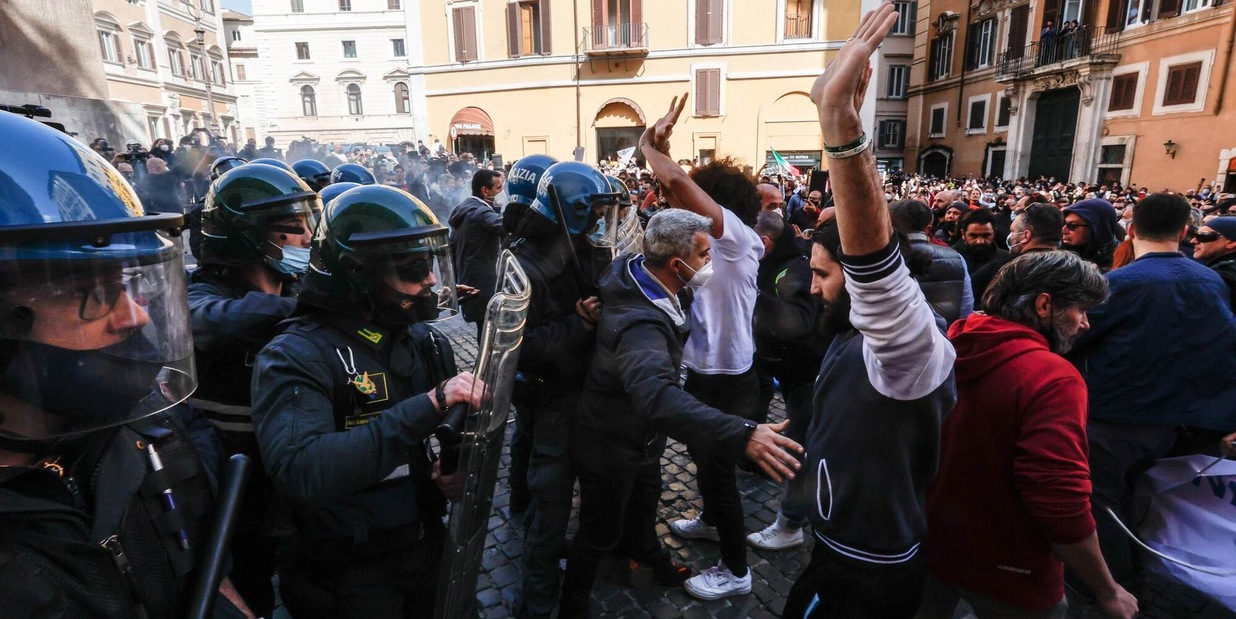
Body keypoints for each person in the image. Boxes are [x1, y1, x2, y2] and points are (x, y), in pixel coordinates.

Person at [0, 112, 251, 617]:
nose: (135, 315)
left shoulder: (140, 432)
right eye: (90, 291)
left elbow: (206, 571)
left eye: (127, 284)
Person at [783, 6, 957, 616]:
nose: (811, 288)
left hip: (871, 574)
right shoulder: (845, 334)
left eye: (825, 274)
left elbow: (877, 279)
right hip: (834, 549)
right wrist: (805, 434)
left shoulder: (914, 353)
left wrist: (841, 131)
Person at [557, 209, 805, 617]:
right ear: (677, 264)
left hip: (640, 441)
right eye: (705, 254)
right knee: (598, 533)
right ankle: (574, 604)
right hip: (611, 443)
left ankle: (647, 553)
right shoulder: (640, 326)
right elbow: (657, 396)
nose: (710, 262)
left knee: (644, 503)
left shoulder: (639, 270)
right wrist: (743, 433)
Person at [250, 185, 476, 618]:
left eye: (429, 264)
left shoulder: (422, 341)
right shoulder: (295, 355)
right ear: (359, 273)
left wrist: (451, 467)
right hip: (346, 574)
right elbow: (302, 469)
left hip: (426, 541)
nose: (429, 280)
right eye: (412, 268)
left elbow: (444, 437)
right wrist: (427, 406)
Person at [919, 251, 1138, 619]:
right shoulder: (1053, 378)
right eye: (1081, 310)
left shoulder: (952, 344)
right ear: (1043, 305)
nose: (1084, 323)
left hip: (931, 542)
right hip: (1010, 565)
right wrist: (1107, 588)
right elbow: (1060, 502)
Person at [1067, 192, 1236, 595]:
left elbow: (1071, 339)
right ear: (1183, 231)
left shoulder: (1120, 283)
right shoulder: (1209, 279)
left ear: (1132, 228)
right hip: (1180, 422)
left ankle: (1108, 589)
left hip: (1115, 420)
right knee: (1138, 502)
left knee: (1098, 505)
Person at [189, 163, 320, 616]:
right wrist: (304, 307)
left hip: (298, 473)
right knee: (250, 585)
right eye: (291, 230)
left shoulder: (302, 282)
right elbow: (210, 321)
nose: (306, 238)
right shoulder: (201, 290)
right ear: (247, 236)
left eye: (308, 227)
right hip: (233, 484)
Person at [643, 135, 765, 599]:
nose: (681, 202)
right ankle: (712, 522)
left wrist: (646, 148)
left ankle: (736, 571)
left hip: (729, 381)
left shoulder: (732, 236)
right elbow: (673, 189)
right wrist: (662, 147)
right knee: (701, 458)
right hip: (704, 372)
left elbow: (674, 180)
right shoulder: (717, 240)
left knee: (718, 473)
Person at [509, 161, 620, 619]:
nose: (600, 218)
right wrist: (580, 323)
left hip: (590, 398)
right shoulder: (524, 263)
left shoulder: (586, 249)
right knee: (551, 508)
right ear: (573, 208)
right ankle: (534, 606)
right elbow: (525, 347)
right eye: (594, 209)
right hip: (553, 402)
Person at [746, 210, 828, 550]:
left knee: (800, 448)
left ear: (764, 242)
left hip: (806, 375)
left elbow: (796, 322)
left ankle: (790, 523)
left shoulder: (793, 270)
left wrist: (747, 291)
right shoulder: (778, 263)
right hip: (790, 371)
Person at [890, 199, 972, 325]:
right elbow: (965, 310)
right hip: (943, 337)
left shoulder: (882, 259)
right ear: (928, 227)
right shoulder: (956, 258)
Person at [970, 203, 1063, 307]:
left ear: (1026, 235)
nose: (1011, 236)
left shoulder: (1002, 270)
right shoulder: (1075, 268)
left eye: (1013, 231)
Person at [448, 169, 505, 336]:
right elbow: (501, 225)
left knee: (484, 328)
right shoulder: (479, 211)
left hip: (470, 279)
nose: (502, 192)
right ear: (485, 191)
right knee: (488, 331)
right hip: (483, 283)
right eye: (498, 188)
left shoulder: (465, 208)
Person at [1061, 198, 1121, 271]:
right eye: (1064, 224)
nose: (1064, 230)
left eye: (1072, 225)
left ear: (1096, 228)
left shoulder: (1121, 261)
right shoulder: (1061, 254)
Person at [1190, 215, 1236, 308]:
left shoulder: (1223, 276)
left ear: (1231, 243)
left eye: (1203, 236)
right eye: (1195, 235)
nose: (1193, 241)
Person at [951, 208, 1009, 275]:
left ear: (994, 232)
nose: (980, 241)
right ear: (963, 234)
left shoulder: (1005, 259)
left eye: (986, 236)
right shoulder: (949, 258)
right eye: (973, 236)